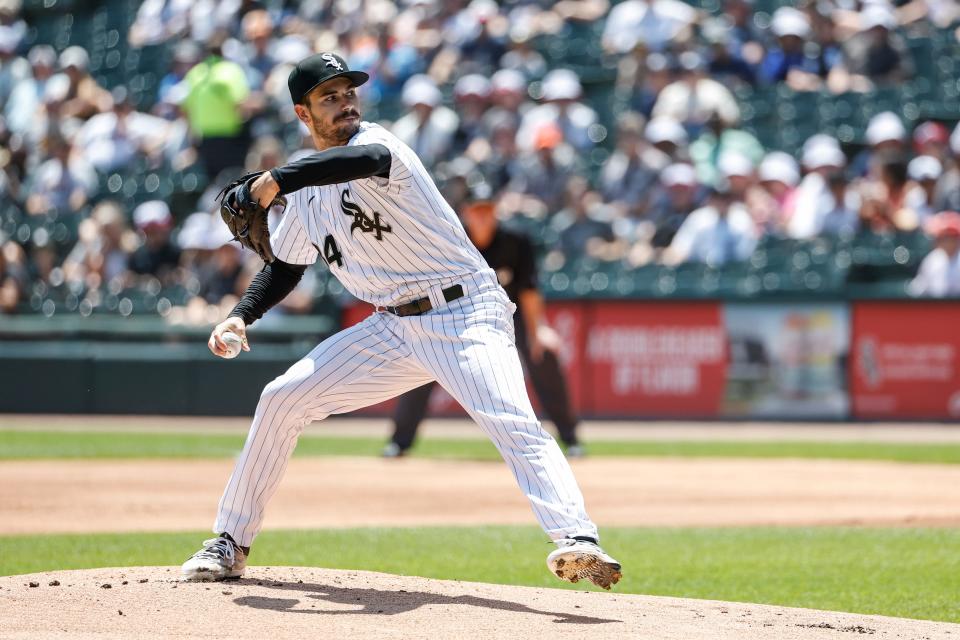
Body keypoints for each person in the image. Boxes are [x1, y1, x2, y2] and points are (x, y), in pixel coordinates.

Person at [179, 52, 621, 590]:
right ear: (303, 113)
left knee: (509, 418)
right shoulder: (306, 193)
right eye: (328, 97)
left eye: (348, 93)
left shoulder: (381, 146)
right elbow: (286, 266)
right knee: (281, 397)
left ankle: (578, 540)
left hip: (465, 311)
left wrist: (273, 178)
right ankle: (229, 543)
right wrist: (241, 315)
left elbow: (352, 162)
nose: (344, 103)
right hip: (392, 328)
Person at [384, 185, 583, 458]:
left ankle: (571, 439)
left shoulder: (515, 241)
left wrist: (539, 330)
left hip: (510, 315)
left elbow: (529, 290)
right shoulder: (450, 240)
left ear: (496, 212)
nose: (482, 217)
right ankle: (399, 442)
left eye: (487, 210)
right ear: (465, 213)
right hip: (457, 315)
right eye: (477, 211)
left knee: (543, 354)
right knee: (425, 361)